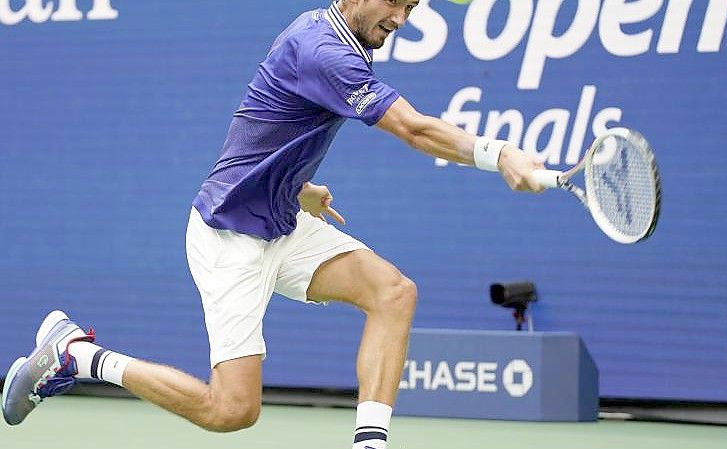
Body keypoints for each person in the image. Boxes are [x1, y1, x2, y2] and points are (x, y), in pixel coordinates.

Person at [2, 1, 544, 447]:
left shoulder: (333, 39)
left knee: (393, 294)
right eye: (395, 2)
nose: (402, 18)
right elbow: (415, 131)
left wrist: (297, 187)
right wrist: (501, 155)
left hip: (281, 221)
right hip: (230, 238)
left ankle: (370, 443)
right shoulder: (325, 49)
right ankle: (79, 355)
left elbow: (263, 126)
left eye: (411, 6)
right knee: (231, 410)